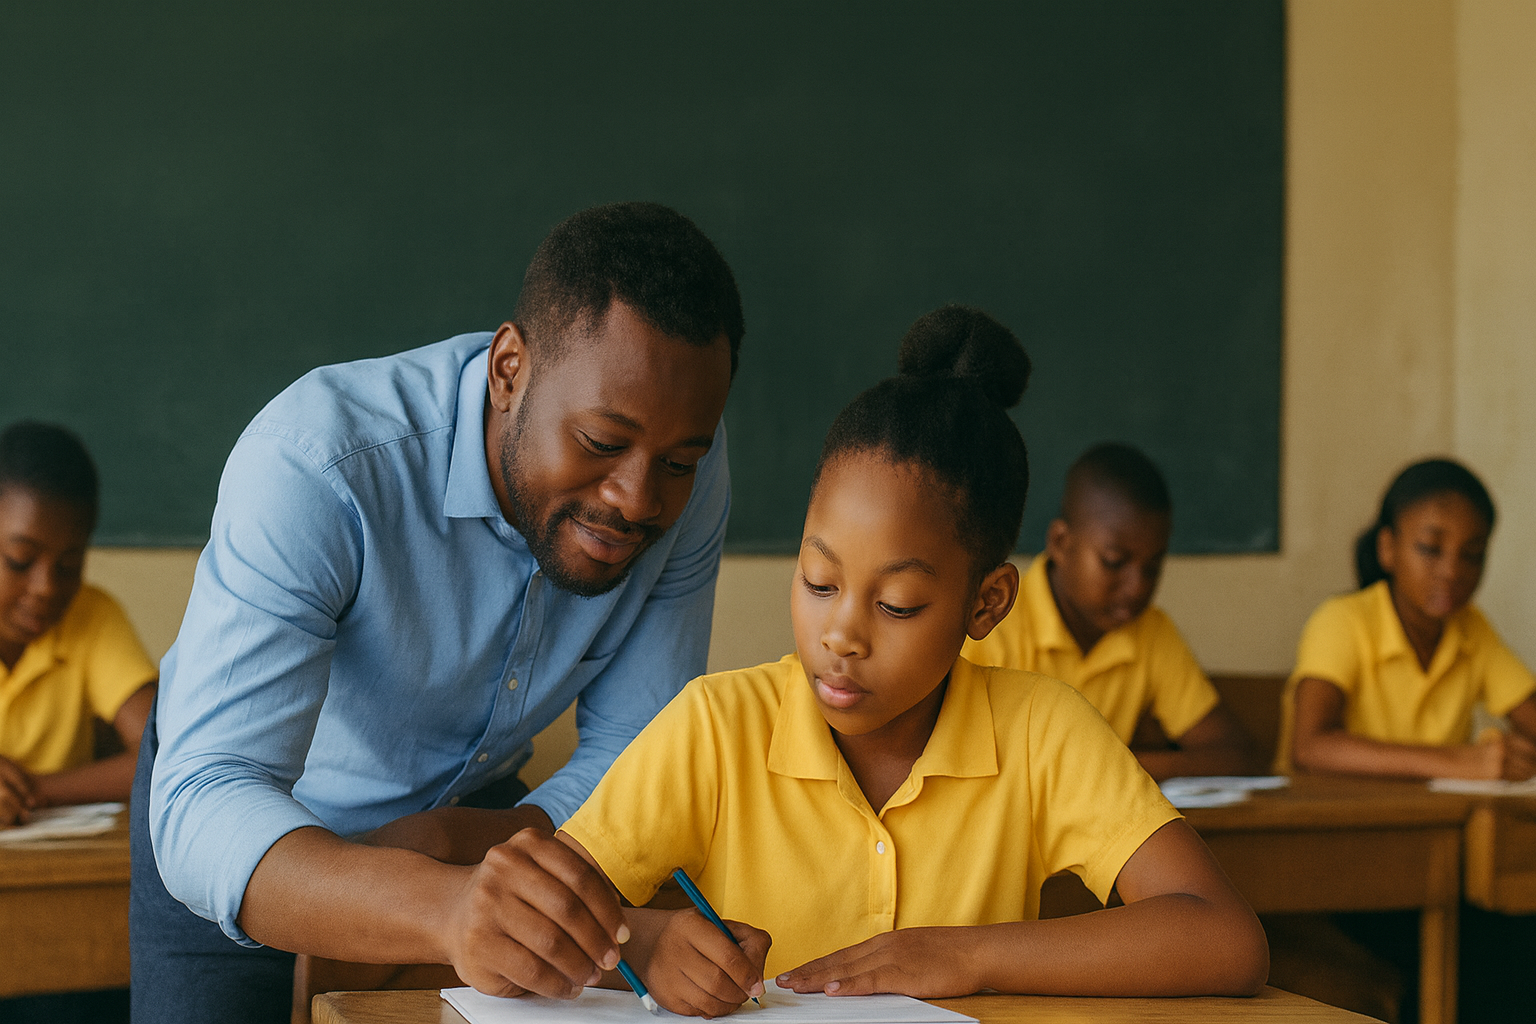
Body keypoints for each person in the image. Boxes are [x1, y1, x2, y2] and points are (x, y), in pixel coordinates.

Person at [556, 306, 1268, 1016]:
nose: (841, 635)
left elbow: (1224, 938)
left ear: (986, 604)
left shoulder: (1040, 730)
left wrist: (967, 952)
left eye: (896, 605)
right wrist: (645, 943)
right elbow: (544, 911)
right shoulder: (716, 726)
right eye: (818, 581)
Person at [132, 202, 744, 1023]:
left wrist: (472, 844)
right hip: (253, 829)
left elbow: (639, 753)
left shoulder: (689, 473)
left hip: (487, 826)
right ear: (508, 369)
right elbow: (209, 796)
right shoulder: (318, 464)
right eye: (601, 443)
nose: (637, 499)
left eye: (675, 461)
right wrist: (448, 904)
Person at [962, 440, 1259, 779]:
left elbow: (1234, 754)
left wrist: (1115, 769)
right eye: (1114, 562)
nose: (1138, 587)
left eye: (1152, 568)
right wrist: (1115, 767)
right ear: (1061, 542)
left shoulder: (1149, 630)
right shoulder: (991, 622)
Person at [1281, 457, 1536, 778]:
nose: (1452, 572)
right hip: (1325, 821)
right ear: (1387, 548)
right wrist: (1459, 762)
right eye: (1431, 549)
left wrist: (1516, 756)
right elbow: (1309, 748)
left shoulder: (1472, 629)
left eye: (1471, 554)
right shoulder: (1342, 620)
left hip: (1428, 821)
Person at [0, 421, 156, 825]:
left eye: (69, 565)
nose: (46, 588)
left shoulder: (92, 616)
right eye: (20, 559)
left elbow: (161, 750)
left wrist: (31, 789)